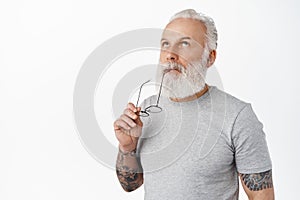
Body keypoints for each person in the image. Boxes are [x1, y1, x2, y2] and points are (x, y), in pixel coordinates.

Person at [114, 9, 274, 200]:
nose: (170, 55)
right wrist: (127, 147)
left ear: (210, 57)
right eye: (166, 44)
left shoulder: (237, 116)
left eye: (184, 44)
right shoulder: (147, 109)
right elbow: (130, 185)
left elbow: (262, 197)